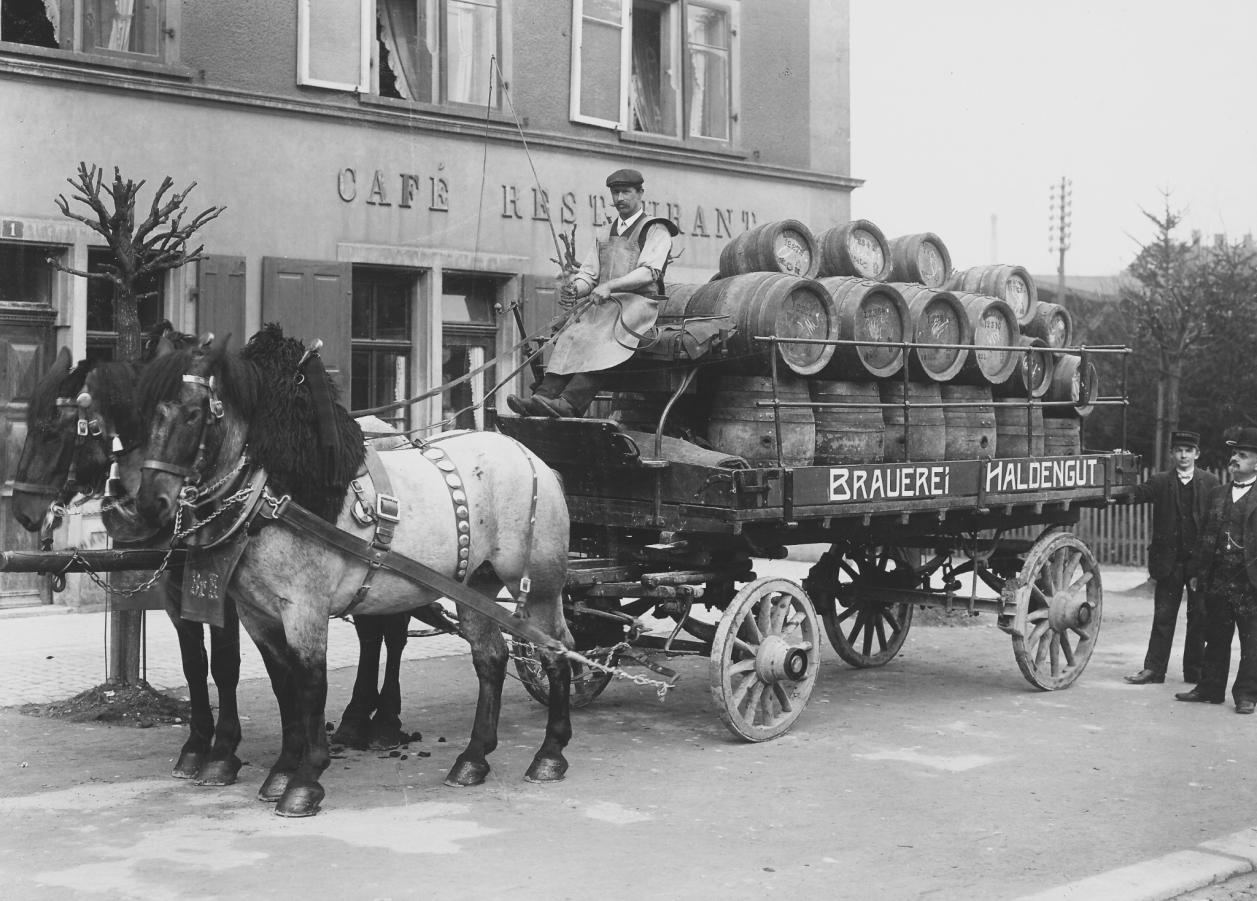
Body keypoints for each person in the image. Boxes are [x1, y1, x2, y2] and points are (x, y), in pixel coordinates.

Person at [508, 168, 678, 418]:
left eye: (626, 192)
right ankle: (542, 397)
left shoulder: (655, 229)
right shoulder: (604, 232)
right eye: (615, 192)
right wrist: (576, 287)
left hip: (636, 307)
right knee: (573, 335)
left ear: (640, 193)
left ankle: (569, 403)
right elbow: (589, 274)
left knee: (602, 339)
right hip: (603, 306)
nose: (620, 198)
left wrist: (610, 286)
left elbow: (648, 273)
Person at [1122, 430, 1219, 685]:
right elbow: (1136, 494)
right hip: (1168, 563)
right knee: (1163, 617)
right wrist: (1119, 479)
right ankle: (1154, 670)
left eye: (1188, 450)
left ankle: (1194, 672)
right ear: (1172, 453)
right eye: (1179, 450)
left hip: (1198, 564)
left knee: (1199, 616)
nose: (1183, 455)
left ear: (1197, 454)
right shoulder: (1160, 481)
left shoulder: (1210, 482)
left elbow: (1216, 522)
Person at [1176, 427, 1257, 713]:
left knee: (1252, 642)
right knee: (1216, 635)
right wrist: (1198, 571)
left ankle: (1247, 695)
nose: (1234, 459)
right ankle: (1210, 688)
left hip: (1250, 582)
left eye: (1243, 455)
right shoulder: (1217, 493)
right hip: (1219, 578)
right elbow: (1205, 535)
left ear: (1256, 463)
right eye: (1234, 453)